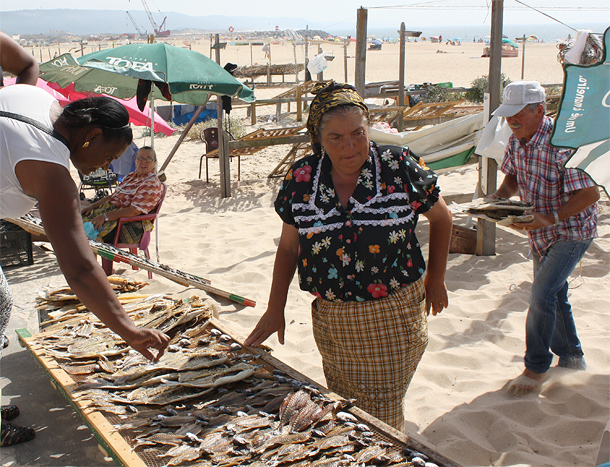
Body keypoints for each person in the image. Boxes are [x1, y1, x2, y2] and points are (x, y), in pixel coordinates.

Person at [244, 81, 453, 431]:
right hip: (332, 319)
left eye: (358, 133)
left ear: (368, 129)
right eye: (336, 138)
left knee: (378, 418)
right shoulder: (302, 178)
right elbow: (289, 247)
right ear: (318, 139)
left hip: (393, 314)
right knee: (345, 406)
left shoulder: (397, 166)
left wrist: (436, 279)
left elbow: (442, 217)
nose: (350, 146)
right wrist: (275, 308)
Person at [0, 84, 170, 446]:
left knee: (1, 302)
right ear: (91, 136)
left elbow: (25, 60)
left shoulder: (38, 98)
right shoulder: (53, 169)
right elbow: (78, 269)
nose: (106, 166)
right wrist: (130, 331)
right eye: (109, 157)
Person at [488, 81, 600, 396]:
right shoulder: (516, 138)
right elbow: (513, 175)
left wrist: (551, 218)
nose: (511, 121)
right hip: (540, 230)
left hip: (572, 230)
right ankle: (572, 359)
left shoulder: (564, 142)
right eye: (508, 115)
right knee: (554, 295)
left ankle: (536, 366)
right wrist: (498, 198)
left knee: (541, 295)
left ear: (540, 110)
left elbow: (591, 193)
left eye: (518, 114)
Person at [82, 146, 163, 243]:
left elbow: (134, 211)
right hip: (113, 214)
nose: (144, 161)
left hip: (128, 223)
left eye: (149, 158)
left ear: (155, 162)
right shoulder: (131, 176)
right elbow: (114, 196)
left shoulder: (151, 184)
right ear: (135, 160)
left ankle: (90, 256)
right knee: (77, 222)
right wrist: (92, 206)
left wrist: (105, 217)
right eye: (140, 158)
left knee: (87, 231)